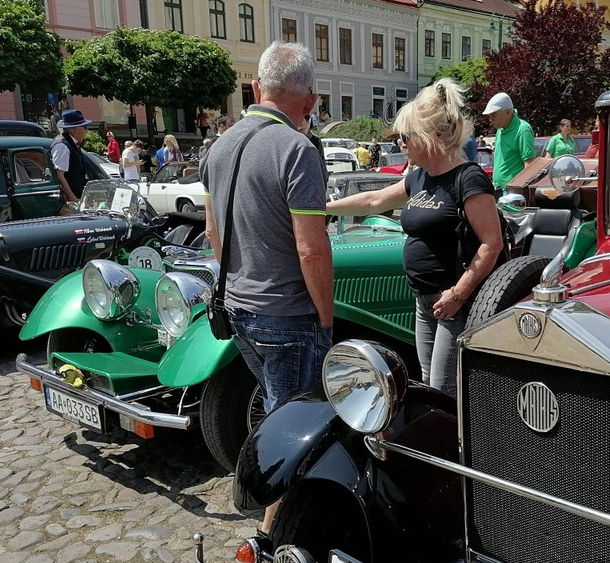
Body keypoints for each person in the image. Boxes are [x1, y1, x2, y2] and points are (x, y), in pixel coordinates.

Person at [198, 40, 333, 536]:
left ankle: (275, 512)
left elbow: (213, 232)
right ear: (311, 101)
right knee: (292, 428)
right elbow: (312, 251)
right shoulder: (297, 150)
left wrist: (240, 281)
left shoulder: (220, 146)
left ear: (257, 88)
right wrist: (325, 317)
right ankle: (271, 534)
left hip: (238, 309)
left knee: (274, 410)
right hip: (288, 314)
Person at [326, 78, 505, 398]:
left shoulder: (468, 178)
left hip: (454, 303)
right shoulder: (420, 177)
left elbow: (492, 243)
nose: (400, 144)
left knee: (443, 390)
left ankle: (456, 448)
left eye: (406, 137)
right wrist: (319, 208)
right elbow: (375, 201)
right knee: (426, 380)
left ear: (432, 136)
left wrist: (458, 295)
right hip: (424, 302)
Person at [482, 91, 535, 193]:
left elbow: (529, 165)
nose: (490, 119)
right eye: (489, 116)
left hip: (513, 194)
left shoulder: (523, 129)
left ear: (508, 112)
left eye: (494, 115)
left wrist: (520, 194)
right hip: (498, 190)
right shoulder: (500, 130)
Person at [50, 108, 95, 211]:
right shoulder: (62, 146)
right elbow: (59, 175)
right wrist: (73, 198)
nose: (87, 130)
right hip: (68, 204)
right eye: (85, 127)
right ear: (76, 129)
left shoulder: (71, 143)